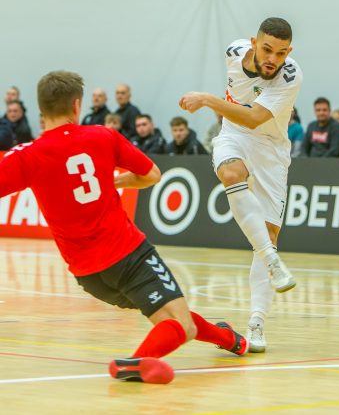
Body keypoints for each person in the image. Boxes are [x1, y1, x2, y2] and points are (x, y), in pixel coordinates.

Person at [0, 70, 248, 384]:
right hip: (129, 255)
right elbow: (153, 175)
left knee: (168, 315)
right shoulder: (102, 136)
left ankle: (228, 338)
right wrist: (119, 180)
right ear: (77, 106)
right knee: (179, 323)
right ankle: (133, 364)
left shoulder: (27, 156)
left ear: (40, 109)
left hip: (89, 275)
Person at [179, 17, 302, 353]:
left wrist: (206, 99)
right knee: (231, 175)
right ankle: (272, 262)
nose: (272, 58)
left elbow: (252, 116)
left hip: (271, 150)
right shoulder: (233, 51)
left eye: (280, 52)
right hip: (233, 135)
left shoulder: (291, 75)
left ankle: (257, 321)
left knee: (270, 235)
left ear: (288, 52)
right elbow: (239, 122)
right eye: (266, 49)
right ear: (252, 43)